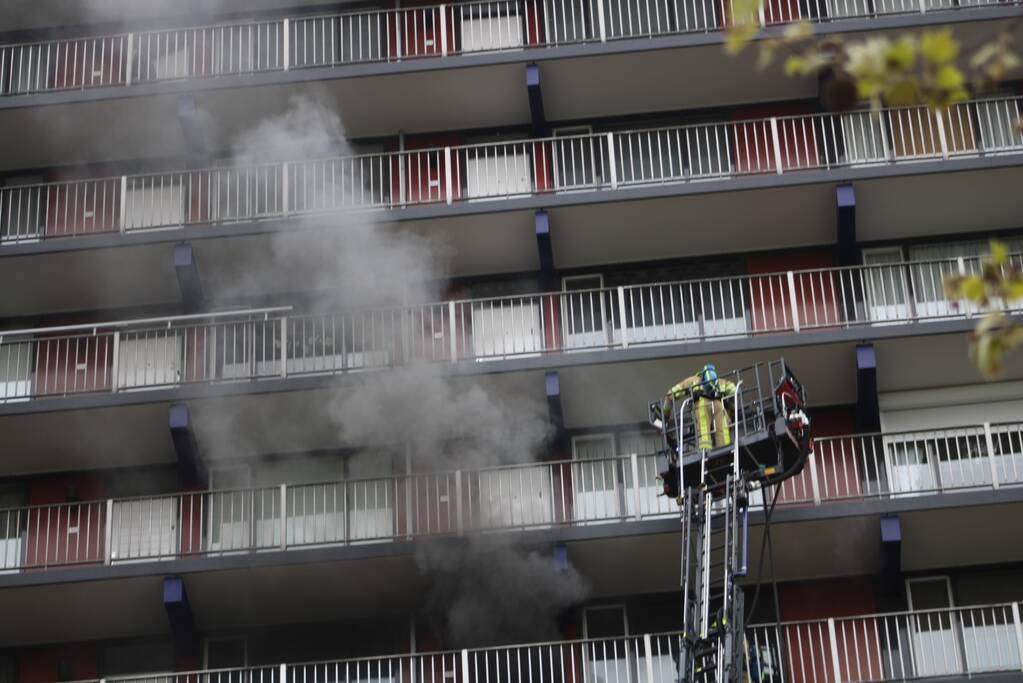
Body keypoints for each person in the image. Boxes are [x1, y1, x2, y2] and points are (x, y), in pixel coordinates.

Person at [662, 363, 738, 451]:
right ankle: (726, 450)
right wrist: (731, 411)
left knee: (704, 431)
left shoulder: (692, 380)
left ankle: (705, 452)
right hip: (718, 405)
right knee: (722, 432)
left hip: (702, 405)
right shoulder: (721, 381)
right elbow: (734, 391)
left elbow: (671, 393)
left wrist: (665, 415)